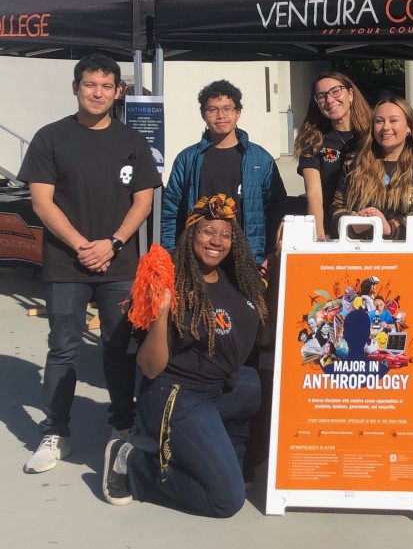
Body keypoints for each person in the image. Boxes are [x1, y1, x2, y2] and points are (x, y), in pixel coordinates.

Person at [18, 53, 161, 474]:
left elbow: (144, 199)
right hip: (66, 265)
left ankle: (121, 425)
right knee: (63, 349)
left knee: (118, 348)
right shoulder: (50, 138)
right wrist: (84, 245)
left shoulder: (132, 140)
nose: (97, 92)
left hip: (119, 264)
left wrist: (113, 243)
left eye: (106, 85)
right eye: (89, 84)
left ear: (119, 91)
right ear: (76, 87)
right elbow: (41, 202)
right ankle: (54, 432)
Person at [102, 194, 267, 517]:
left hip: (220, 386)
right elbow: (149, 368)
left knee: (263, 387)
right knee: (225, 500)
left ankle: (229, 454)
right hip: (176, 394)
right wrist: (161, 315)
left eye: (225, 234)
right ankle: (132, 464)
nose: (216, 241)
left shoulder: (234, 276)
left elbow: (259, 326)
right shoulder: (166, 278)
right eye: (207, 231)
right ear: (191, 232)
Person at [331, 96, 413, 469]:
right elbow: (338, 206)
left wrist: (392, 225)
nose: (385, 127)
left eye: (393, 120)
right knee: (384, 346)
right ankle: (390, 426)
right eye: (378, 121)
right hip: (377, 276)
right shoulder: (356, 162)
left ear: (408, 125)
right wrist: (355, 220)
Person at [161, 79, 287, 273]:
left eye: (227, 108)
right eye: (213, 109)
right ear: (203, 114)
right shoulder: (187, 159)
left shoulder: (260, 159)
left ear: (238, 113)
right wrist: (171, 253)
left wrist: (271, 251)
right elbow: (171, 210)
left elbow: (276, 210)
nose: (221, 116)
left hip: (248, 260)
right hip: (197, 258)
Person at [295, 72, 372, 240]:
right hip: (333, 229)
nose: (329, 100)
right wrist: (319, 234)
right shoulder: (313, 141)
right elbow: (314, 194)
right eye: (321, 96)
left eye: (336, 91)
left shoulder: (373, 135)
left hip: (373, 225)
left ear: (350, 94)